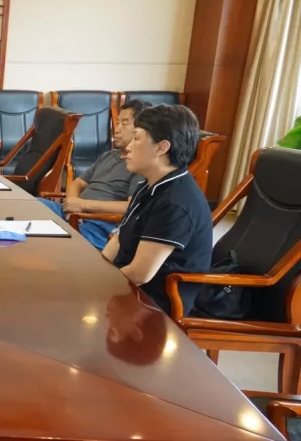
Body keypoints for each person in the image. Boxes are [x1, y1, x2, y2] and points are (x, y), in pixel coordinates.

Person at [102, 104, 213, 314]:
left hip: (153, 303)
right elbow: (119, 238)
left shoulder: (175, 202)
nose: (128, 147)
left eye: (136, 138)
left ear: (161, 148)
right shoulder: (150, 184)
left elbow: (140, 274)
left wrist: (98, 286)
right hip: (127, 286)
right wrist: (97, 271)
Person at [38, 99, 150, 250]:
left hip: (98, 223)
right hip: (73, 214)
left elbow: (130, 207)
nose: (117, 129)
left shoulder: (139, 165)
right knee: (29, 205)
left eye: (124, 124)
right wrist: (73, 204)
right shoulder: (108, 156)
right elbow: (77, 183)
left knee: (51, 244)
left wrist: (83, 205)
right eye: (117, 122)